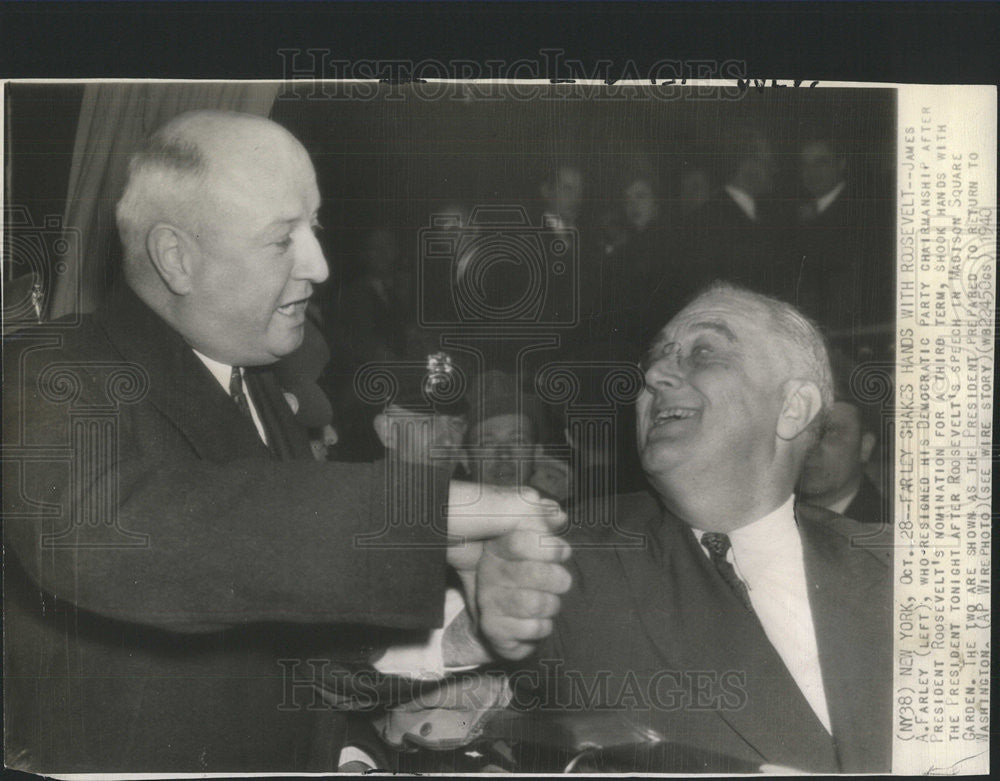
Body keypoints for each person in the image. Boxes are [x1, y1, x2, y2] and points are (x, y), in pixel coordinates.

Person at [2, 110, 564, 773]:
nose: (321, 265)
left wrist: (460, 629)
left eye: (315, 229)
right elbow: (107, 534)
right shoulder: (50, 366)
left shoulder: (259, 391)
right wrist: (417, 511)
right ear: (177, 258)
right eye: (282, 240)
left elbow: (304, 656)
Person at [473, 282, 892, 772]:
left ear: (792, 407)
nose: (653, 374)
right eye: (656, 358)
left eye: (704, 351)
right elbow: (460, 676)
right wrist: (475, 623)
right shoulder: (574, 560)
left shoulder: (900, 567)